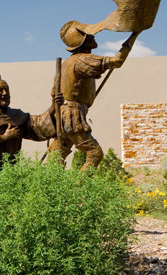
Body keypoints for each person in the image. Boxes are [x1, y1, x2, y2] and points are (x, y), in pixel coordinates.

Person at [48, 21, 138, 169]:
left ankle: (50, 185)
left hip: (63, 116)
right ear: (83, 40)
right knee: (95, 153)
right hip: (72, 116)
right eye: (89, 34)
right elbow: (117, 61)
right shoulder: (83, 59)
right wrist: (133, 36)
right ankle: (79, 188)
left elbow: (54, 92)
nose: (93, 36)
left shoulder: (65, 64)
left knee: (56, 156)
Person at [0, 79, 58, 172]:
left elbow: (37, 125)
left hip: (11, 171)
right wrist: (4, 137)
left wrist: (53, 107)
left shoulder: (16, 115)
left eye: (6, 90)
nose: (4, 93)